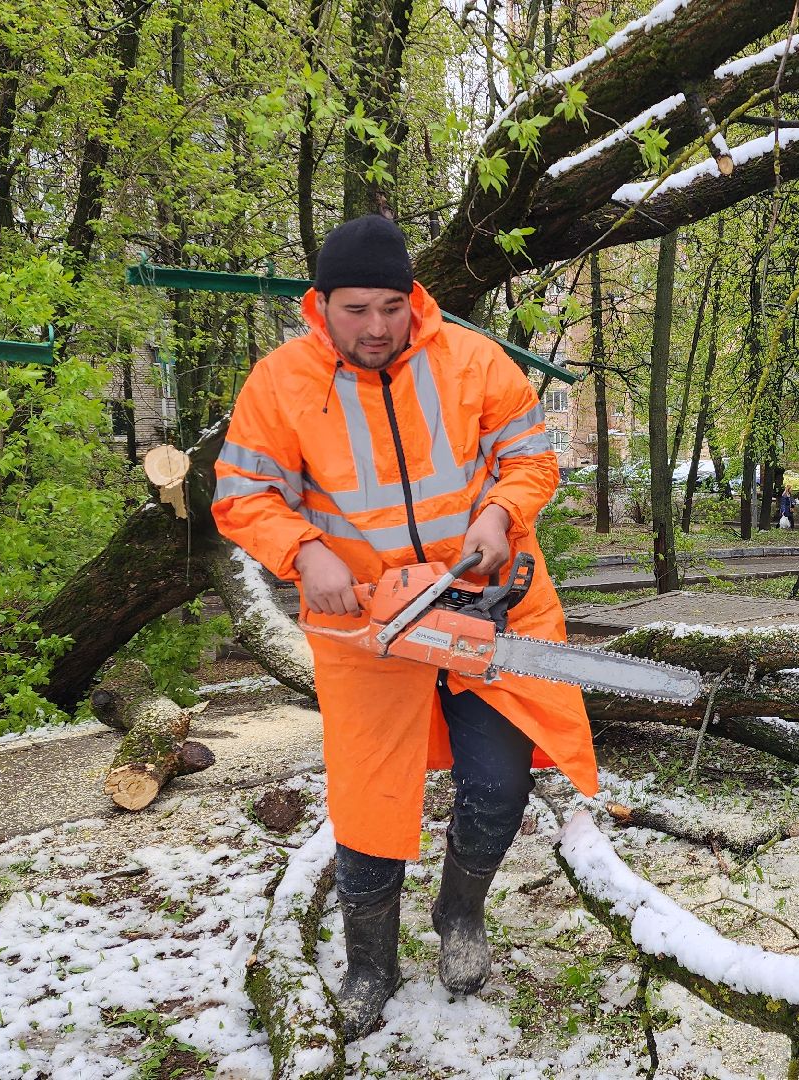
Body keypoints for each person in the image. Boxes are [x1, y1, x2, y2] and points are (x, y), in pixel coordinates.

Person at [211, 215, 594, 1038]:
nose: (377, 327)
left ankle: (460, 913)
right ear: (322, 305)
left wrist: (499, 513)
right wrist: (304, 552)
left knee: (500, 780)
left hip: (486, 603)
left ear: (413, 298)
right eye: (357, 310)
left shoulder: (470, 360)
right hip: (367, 626)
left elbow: (532, 456)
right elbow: (242, 494)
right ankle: (372, 964)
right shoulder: (280, 383)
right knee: (370, 800)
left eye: (391, 306)